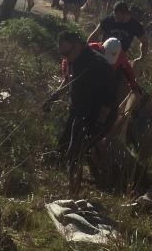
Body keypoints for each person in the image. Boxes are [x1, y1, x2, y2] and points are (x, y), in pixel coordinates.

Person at [44, 32, 116, 194]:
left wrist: (99, 124)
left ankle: (73, 192)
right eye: (62, 54)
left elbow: (108, 101)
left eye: (67, 53)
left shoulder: (98, 66)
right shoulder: (73, 60)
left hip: (96, 117)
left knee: (75, 152)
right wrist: (53, 98)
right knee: (63, 146)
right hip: (77, 111)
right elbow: (69, 82)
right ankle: (67, 180)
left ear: (77, 46)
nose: (65, 58)